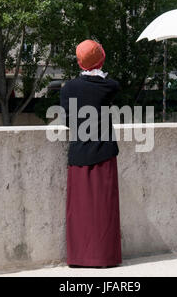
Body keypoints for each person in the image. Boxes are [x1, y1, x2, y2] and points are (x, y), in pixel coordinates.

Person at [60, 39, 121, 267]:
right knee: (104, 208)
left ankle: (79, 257)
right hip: (104, 152)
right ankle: (104, 256)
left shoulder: (68, 88)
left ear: (79, 61)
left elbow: (67, 119)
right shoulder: (109, 87)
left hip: (79, 154)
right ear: (101, 60)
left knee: (80, 210)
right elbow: (112, 83)